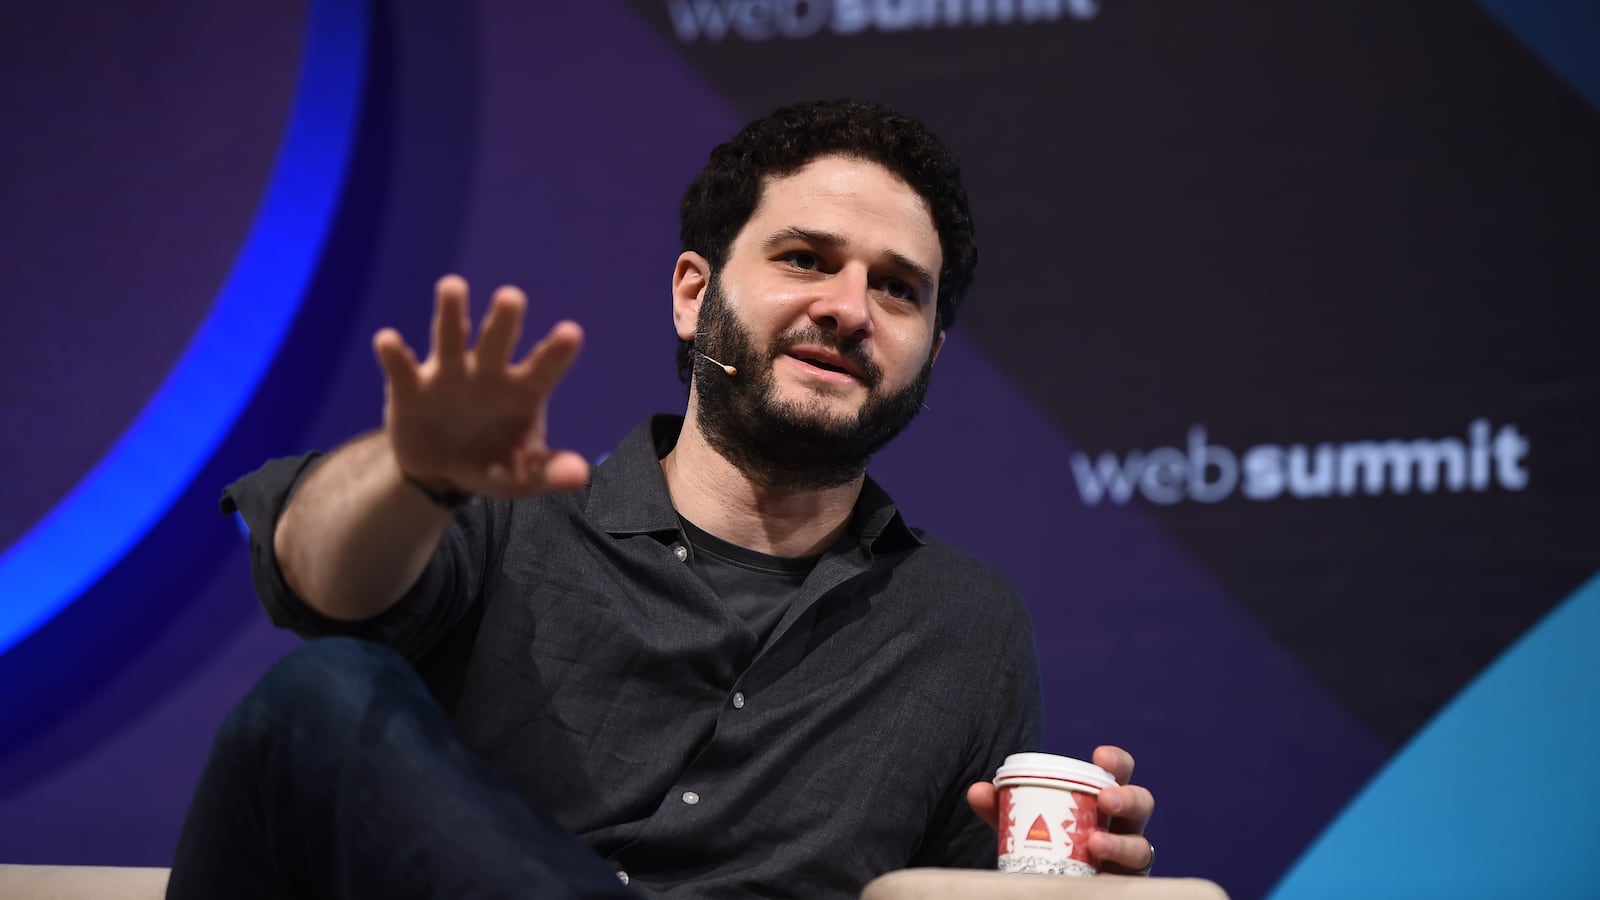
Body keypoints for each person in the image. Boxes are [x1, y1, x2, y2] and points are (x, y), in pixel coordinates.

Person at [168, 99, 1155, 899]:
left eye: (897, 290)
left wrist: (1072, 884)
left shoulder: (963, 626)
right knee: (323, 693)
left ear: (928, 356)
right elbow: (316, 576)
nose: (849, 309)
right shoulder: (507, 518)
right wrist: (412, 471)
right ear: (693, 292)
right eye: (805, 259)